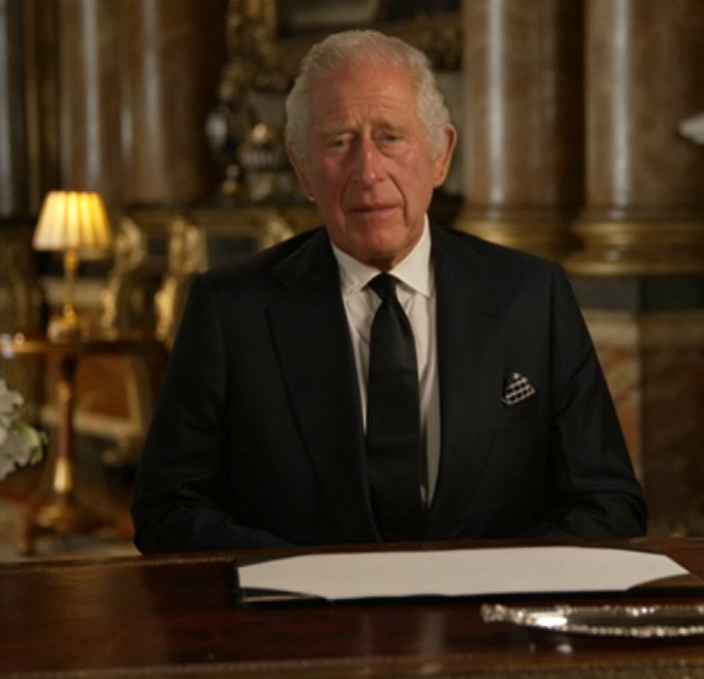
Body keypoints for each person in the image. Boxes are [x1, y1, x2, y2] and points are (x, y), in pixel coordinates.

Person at [131, 30, 646, 553]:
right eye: (339, 142)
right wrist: (294, 578)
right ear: (304, 168)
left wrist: (492, 582)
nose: (368, 171)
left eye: (391, 137)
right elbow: (167, 508)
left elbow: (607, 502)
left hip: (487, 624)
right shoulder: (230, 309)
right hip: (304, 627)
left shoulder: (532, 297)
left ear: (440, 155)